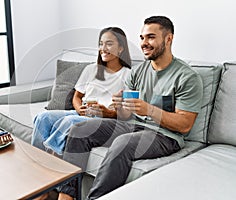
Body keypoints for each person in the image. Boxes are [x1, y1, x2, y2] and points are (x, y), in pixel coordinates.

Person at [58, 16, 204, 200]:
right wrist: (120, 106)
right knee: (79, 129)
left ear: (169, 39)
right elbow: (126, 116)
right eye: (142, 38)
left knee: (122, 143)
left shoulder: (186, 77)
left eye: (151, 37)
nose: (144, 43)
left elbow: (184, 125)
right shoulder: (137, 72)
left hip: (165, 135)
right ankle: (66, 197)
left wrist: (149, 110)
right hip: (133, 125)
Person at [31, 27, 132, 155]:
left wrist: (108, 112)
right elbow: (77, 96)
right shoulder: (90, 69)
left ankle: (49, 156)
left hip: (104, 120)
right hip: (83, 113)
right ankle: (36, 158)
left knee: (69, 121)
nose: (103, 48)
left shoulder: (128, 75)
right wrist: (79, 109)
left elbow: (127, 113)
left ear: (121, 48)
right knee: (43, 117)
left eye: (109, 44)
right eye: (101, 44)